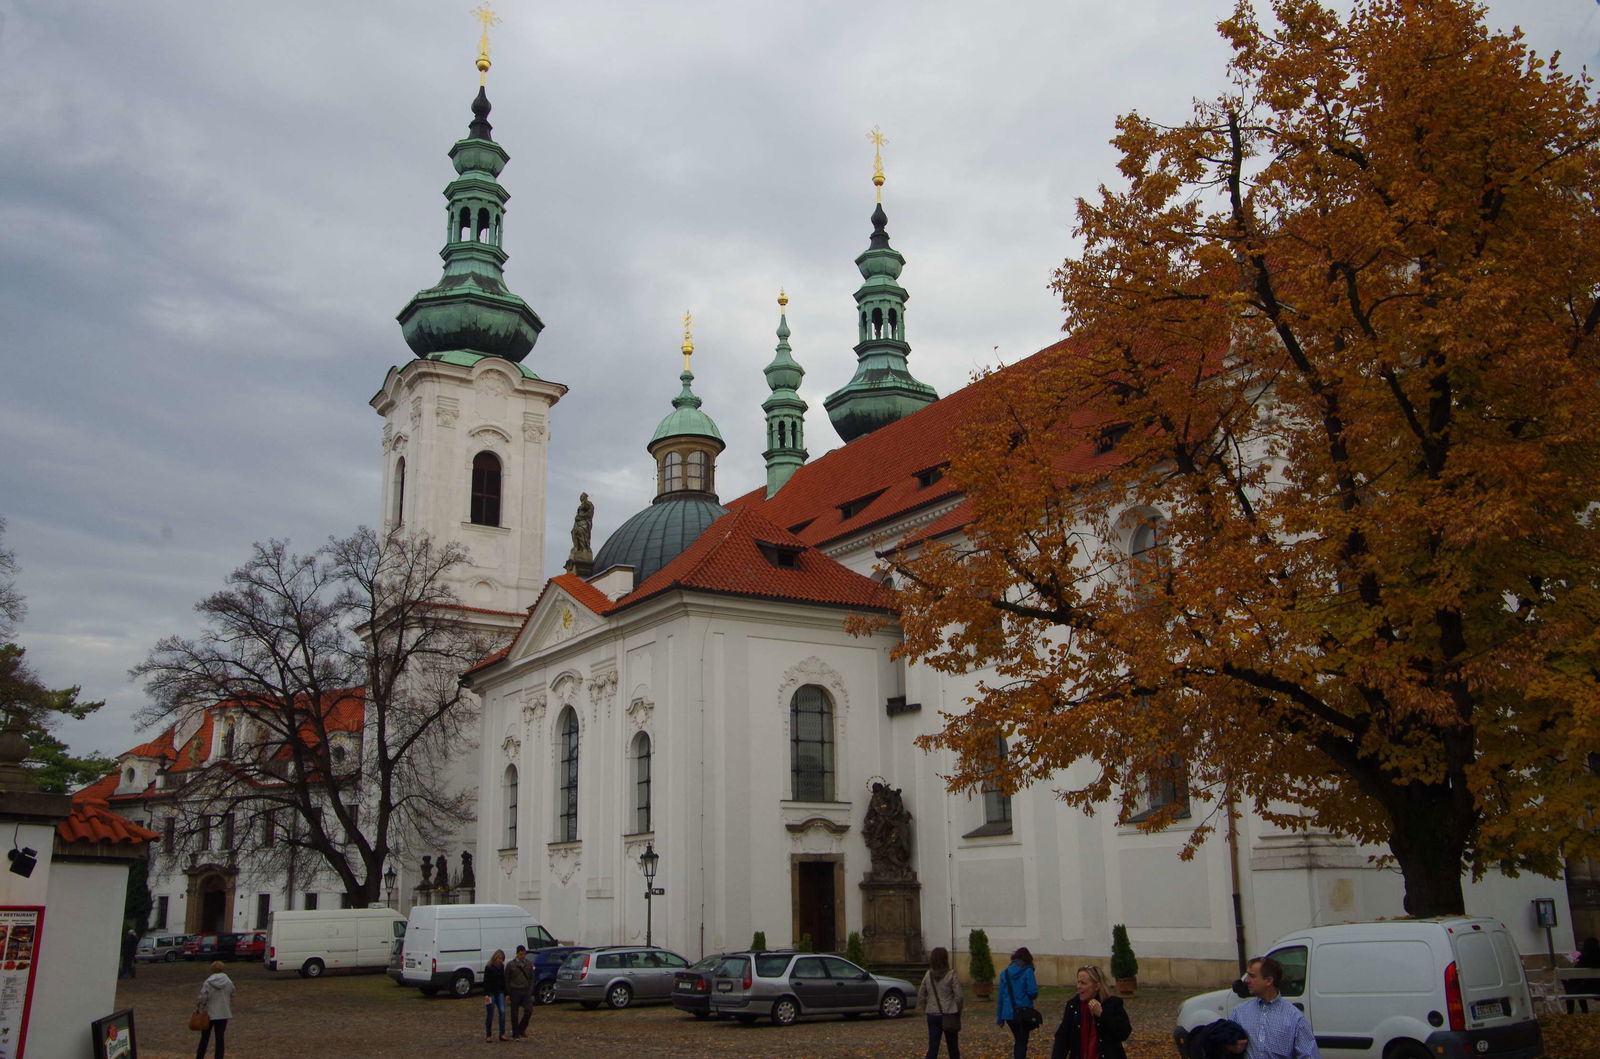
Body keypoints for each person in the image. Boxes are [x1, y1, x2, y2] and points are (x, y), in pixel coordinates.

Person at [1231, 957, 1319, 1059]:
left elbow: (1309, 1055)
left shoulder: (1295, 1018)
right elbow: (1224, 1046)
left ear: (1268, 981)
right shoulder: (1239, 1012)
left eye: (1252, 976)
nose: (1246, 980)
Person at [1049, 965, 1131, 1059]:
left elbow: (1123, 1033)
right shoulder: (1073, 1005)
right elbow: (1062, 1037)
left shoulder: (1112, 1004)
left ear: (1096, 986)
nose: (1078, 986)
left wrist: (1102, 1014)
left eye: (1083, 983)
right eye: (1078, 982)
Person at [917, 945, 964, 1059]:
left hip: (932, 1014)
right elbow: (959, 996)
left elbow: (921, 994)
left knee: (933, 1046)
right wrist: (956, 1009)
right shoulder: (951, 974)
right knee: (953, 1047)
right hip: (949, 1013)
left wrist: (925, 1007)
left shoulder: (928, 975)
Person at [996, 946, 1040, 1059]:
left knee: (1019, 1040)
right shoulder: (1028, 971)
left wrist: (1000, 1018)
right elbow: (1032, 992)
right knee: (1022, 1042)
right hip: (1023, 1013)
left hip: (1009, 1014)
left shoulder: (1005, 973)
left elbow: (1001, 997)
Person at [194, 960, 235, 1059]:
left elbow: (203, 997)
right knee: (220, 1038)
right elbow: (233, 993)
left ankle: (200, 1056)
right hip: (223, 1012)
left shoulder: (208, 982)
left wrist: (202, 1003)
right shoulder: (228, 981)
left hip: (209, 1013)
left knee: (204, 1037)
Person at [506, 944, 535, 1039]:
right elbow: (507, 979)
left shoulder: (529, 964)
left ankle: (521, 1029)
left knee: (529, 1011)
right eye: (521, 954)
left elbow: (532, 978)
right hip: (515, 990)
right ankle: (515, 1032)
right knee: (514, 1013)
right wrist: (508, 992)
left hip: (526, 991)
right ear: (517, 954)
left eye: (524, 954)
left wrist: (530, 990)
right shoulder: (511, 965)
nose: (522, 956)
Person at [1567, 936, 1600, 1014]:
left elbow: (1575, 976)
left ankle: (1577, 1011)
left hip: (1587, 988)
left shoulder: (1583, 959)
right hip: (1598, 987)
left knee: (1573, 987)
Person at [483, 948, 508, 1042]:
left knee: (502, 1012)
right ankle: (488, 1034)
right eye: (499, 958)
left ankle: (502, 1034)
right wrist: (486, 994)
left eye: (501, 959)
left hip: (499, 992)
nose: (500, 960)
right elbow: (486, 981)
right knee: (490, 1014)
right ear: (495, 957)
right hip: (490, 993)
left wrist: (506, 993)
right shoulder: (489, 967)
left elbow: (503, 980)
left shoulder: (501, 967)